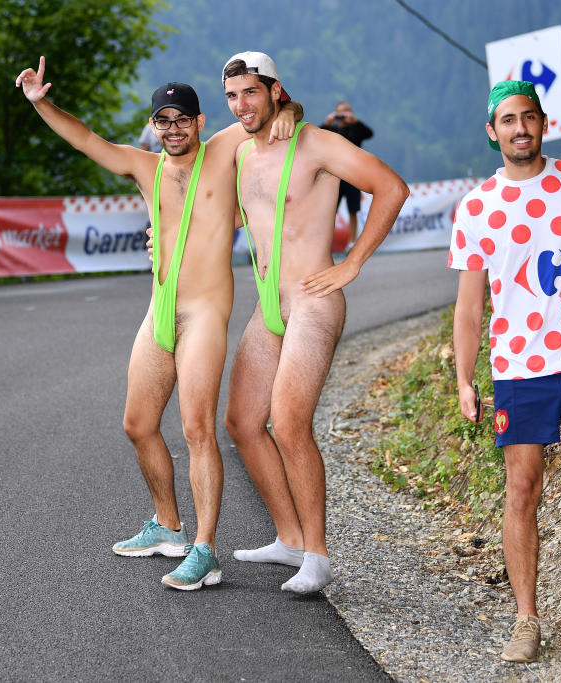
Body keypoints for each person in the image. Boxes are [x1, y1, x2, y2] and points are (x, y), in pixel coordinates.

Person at [15, 56, 301, 591]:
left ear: (198, 122)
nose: (173, 130)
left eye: (183, 120)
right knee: (138, 424)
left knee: (196, 430)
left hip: (205, 314)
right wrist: (40, 102)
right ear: (154, 127)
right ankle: (167, 525)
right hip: (160, 308)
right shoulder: (144, 167)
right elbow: (85, 139)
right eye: (163, 121)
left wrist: (291, 111)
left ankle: (205, 550)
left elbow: (265, 117)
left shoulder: (222, 152)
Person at [449, 81, 561, 663]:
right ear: (492, 131)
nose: (520, 128)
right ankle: (527, 620)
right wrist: (464, 378)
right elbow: (469, 306)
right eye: (508, 120)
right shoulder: (476, 207)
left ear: (544, 122)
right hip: (519, 367)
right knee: (522, 489)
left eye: (529, 117)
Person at [220, 52, 409, 594]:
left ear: (275, 90)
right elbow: (232, 215)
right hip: (268, 305)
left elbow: (391, 188)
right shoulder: (243, 154)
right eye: (232, 96)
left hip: (313, 299)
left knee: (289, 421)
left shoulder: (317, 144)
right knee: (241, 422)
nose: (241, 105)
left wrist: (351, 263)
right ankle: (289, 539)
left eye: (251, 93)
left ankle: (319, 557)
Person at [321, 101, 373, 249]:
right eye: (340, 113)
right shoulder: (330, 129)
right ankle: (326, 242)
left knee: (353, 210)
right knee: (330, 211)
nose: (342, 116)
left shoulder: (355, 129)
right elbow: (315, 137)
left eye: (346, 112)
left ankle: (352, 241)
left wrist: (355, 122)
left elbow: (369, 134)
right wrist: (327, 123)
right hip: (334, 177)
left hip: (352, 176)